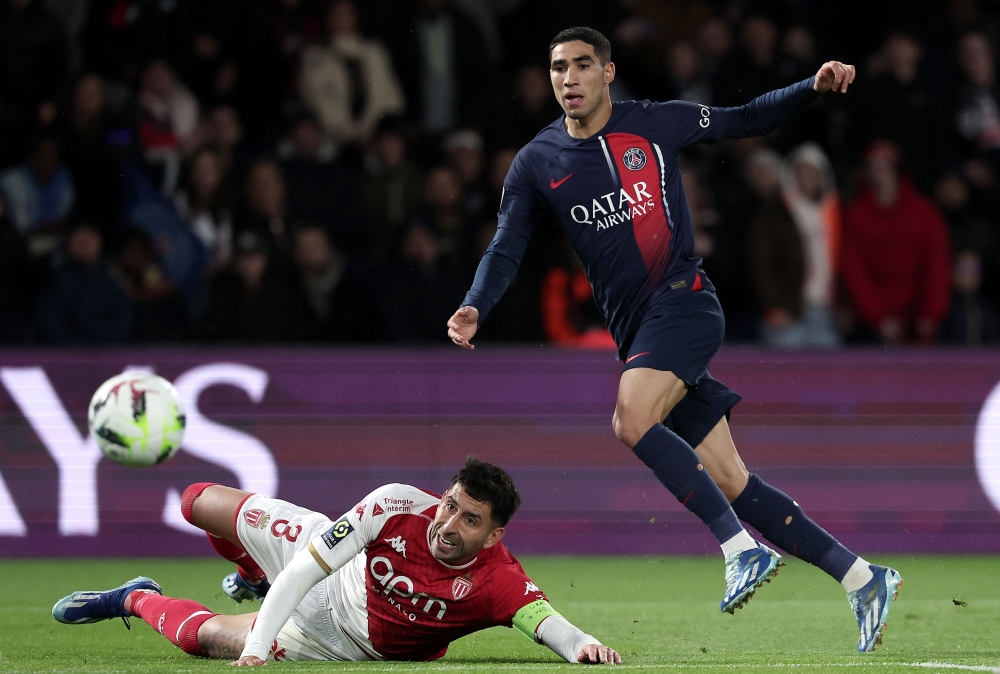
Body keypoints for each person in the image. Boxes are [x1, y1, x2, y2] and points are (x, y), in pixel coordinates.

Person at [446, 27, 901, 652]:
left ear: (608, 73)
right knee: (734, 482)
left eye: (583, 65)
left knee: (631, 419)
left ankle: (739, 549)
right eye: (558, 67)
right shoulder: (536, 162)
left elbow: (746, 117)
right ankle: (862, 576)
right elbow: (506, 246)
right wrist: (476, 303)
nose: (569, 77)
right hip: (639, 333)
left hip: (684, 302)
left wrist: (810, 87)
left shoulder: (655, 123)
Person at [53, 458, 621, 666]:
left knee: (196, 640)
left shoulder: (498, 580)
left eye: (469, 521)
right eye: (449, 505)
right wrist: (256, 653)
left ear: (494, 535)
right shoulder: (394, 503)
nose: (448, 525)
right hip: (329, 570)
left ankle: (133, 597)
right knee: (197, 502)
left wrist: (584, 646)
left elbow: (551, 626)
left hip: (340, 647)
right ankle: (253, 574)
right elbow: (305, 570)